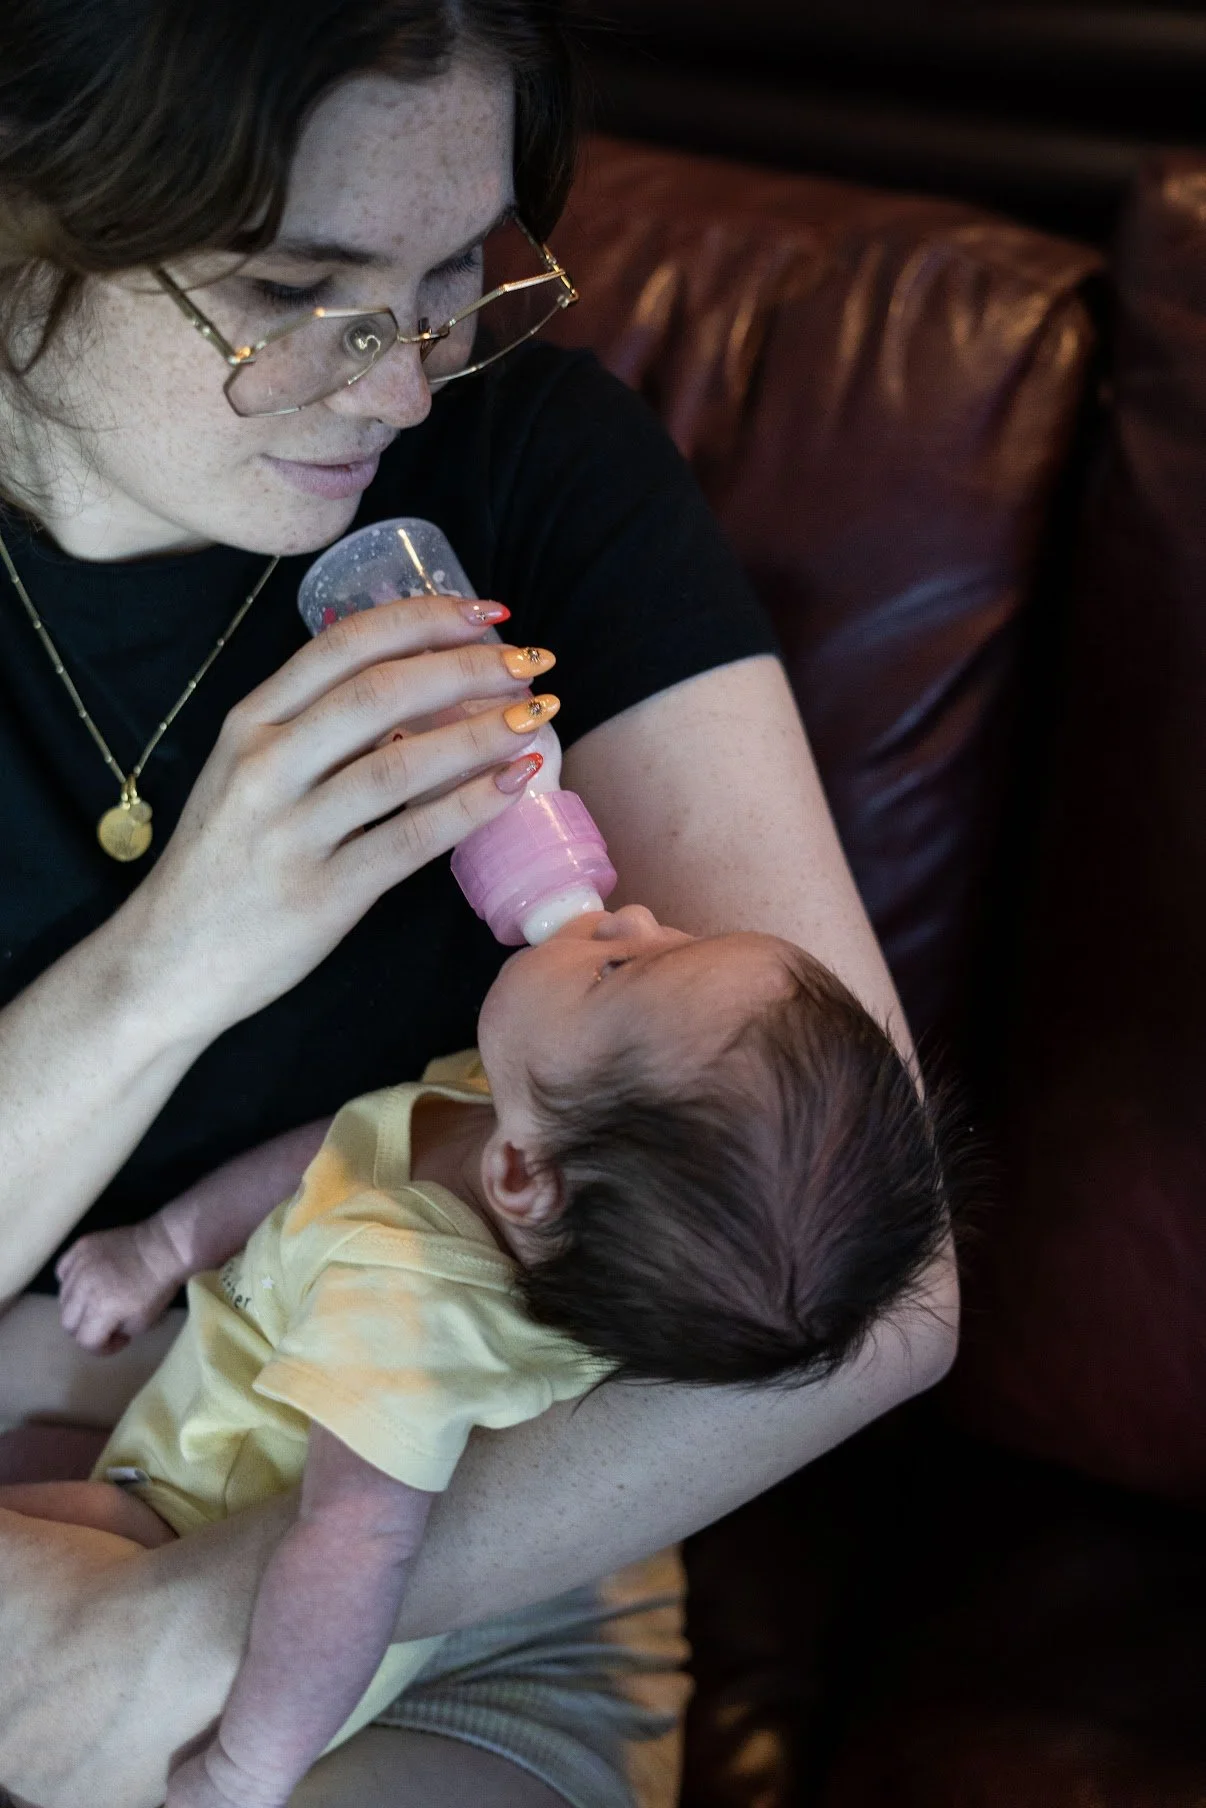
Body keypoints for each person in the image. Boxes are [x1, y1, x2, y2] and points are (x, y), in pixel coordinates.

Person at [0, 3, 959, 1805]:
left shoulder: (535, 470)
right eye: (296, 288)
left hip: (480, 1578)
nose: (402, 384)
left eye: (459, 272)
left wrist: (180, 1641)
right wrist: (173, 965)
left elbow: (878, 1294)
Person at [5, 905, 950, 1808]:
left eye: (621, 967)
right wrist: (165, 1247)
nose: (634, 916)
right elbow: (338, 1154)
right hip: (177, 1444)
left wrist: (250, 1766)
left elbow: (357, 1549)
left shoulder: (409, 1310)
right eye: (669, 937)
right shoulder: (516, 1117)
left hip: (174, 1527)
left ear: (521, 1179)